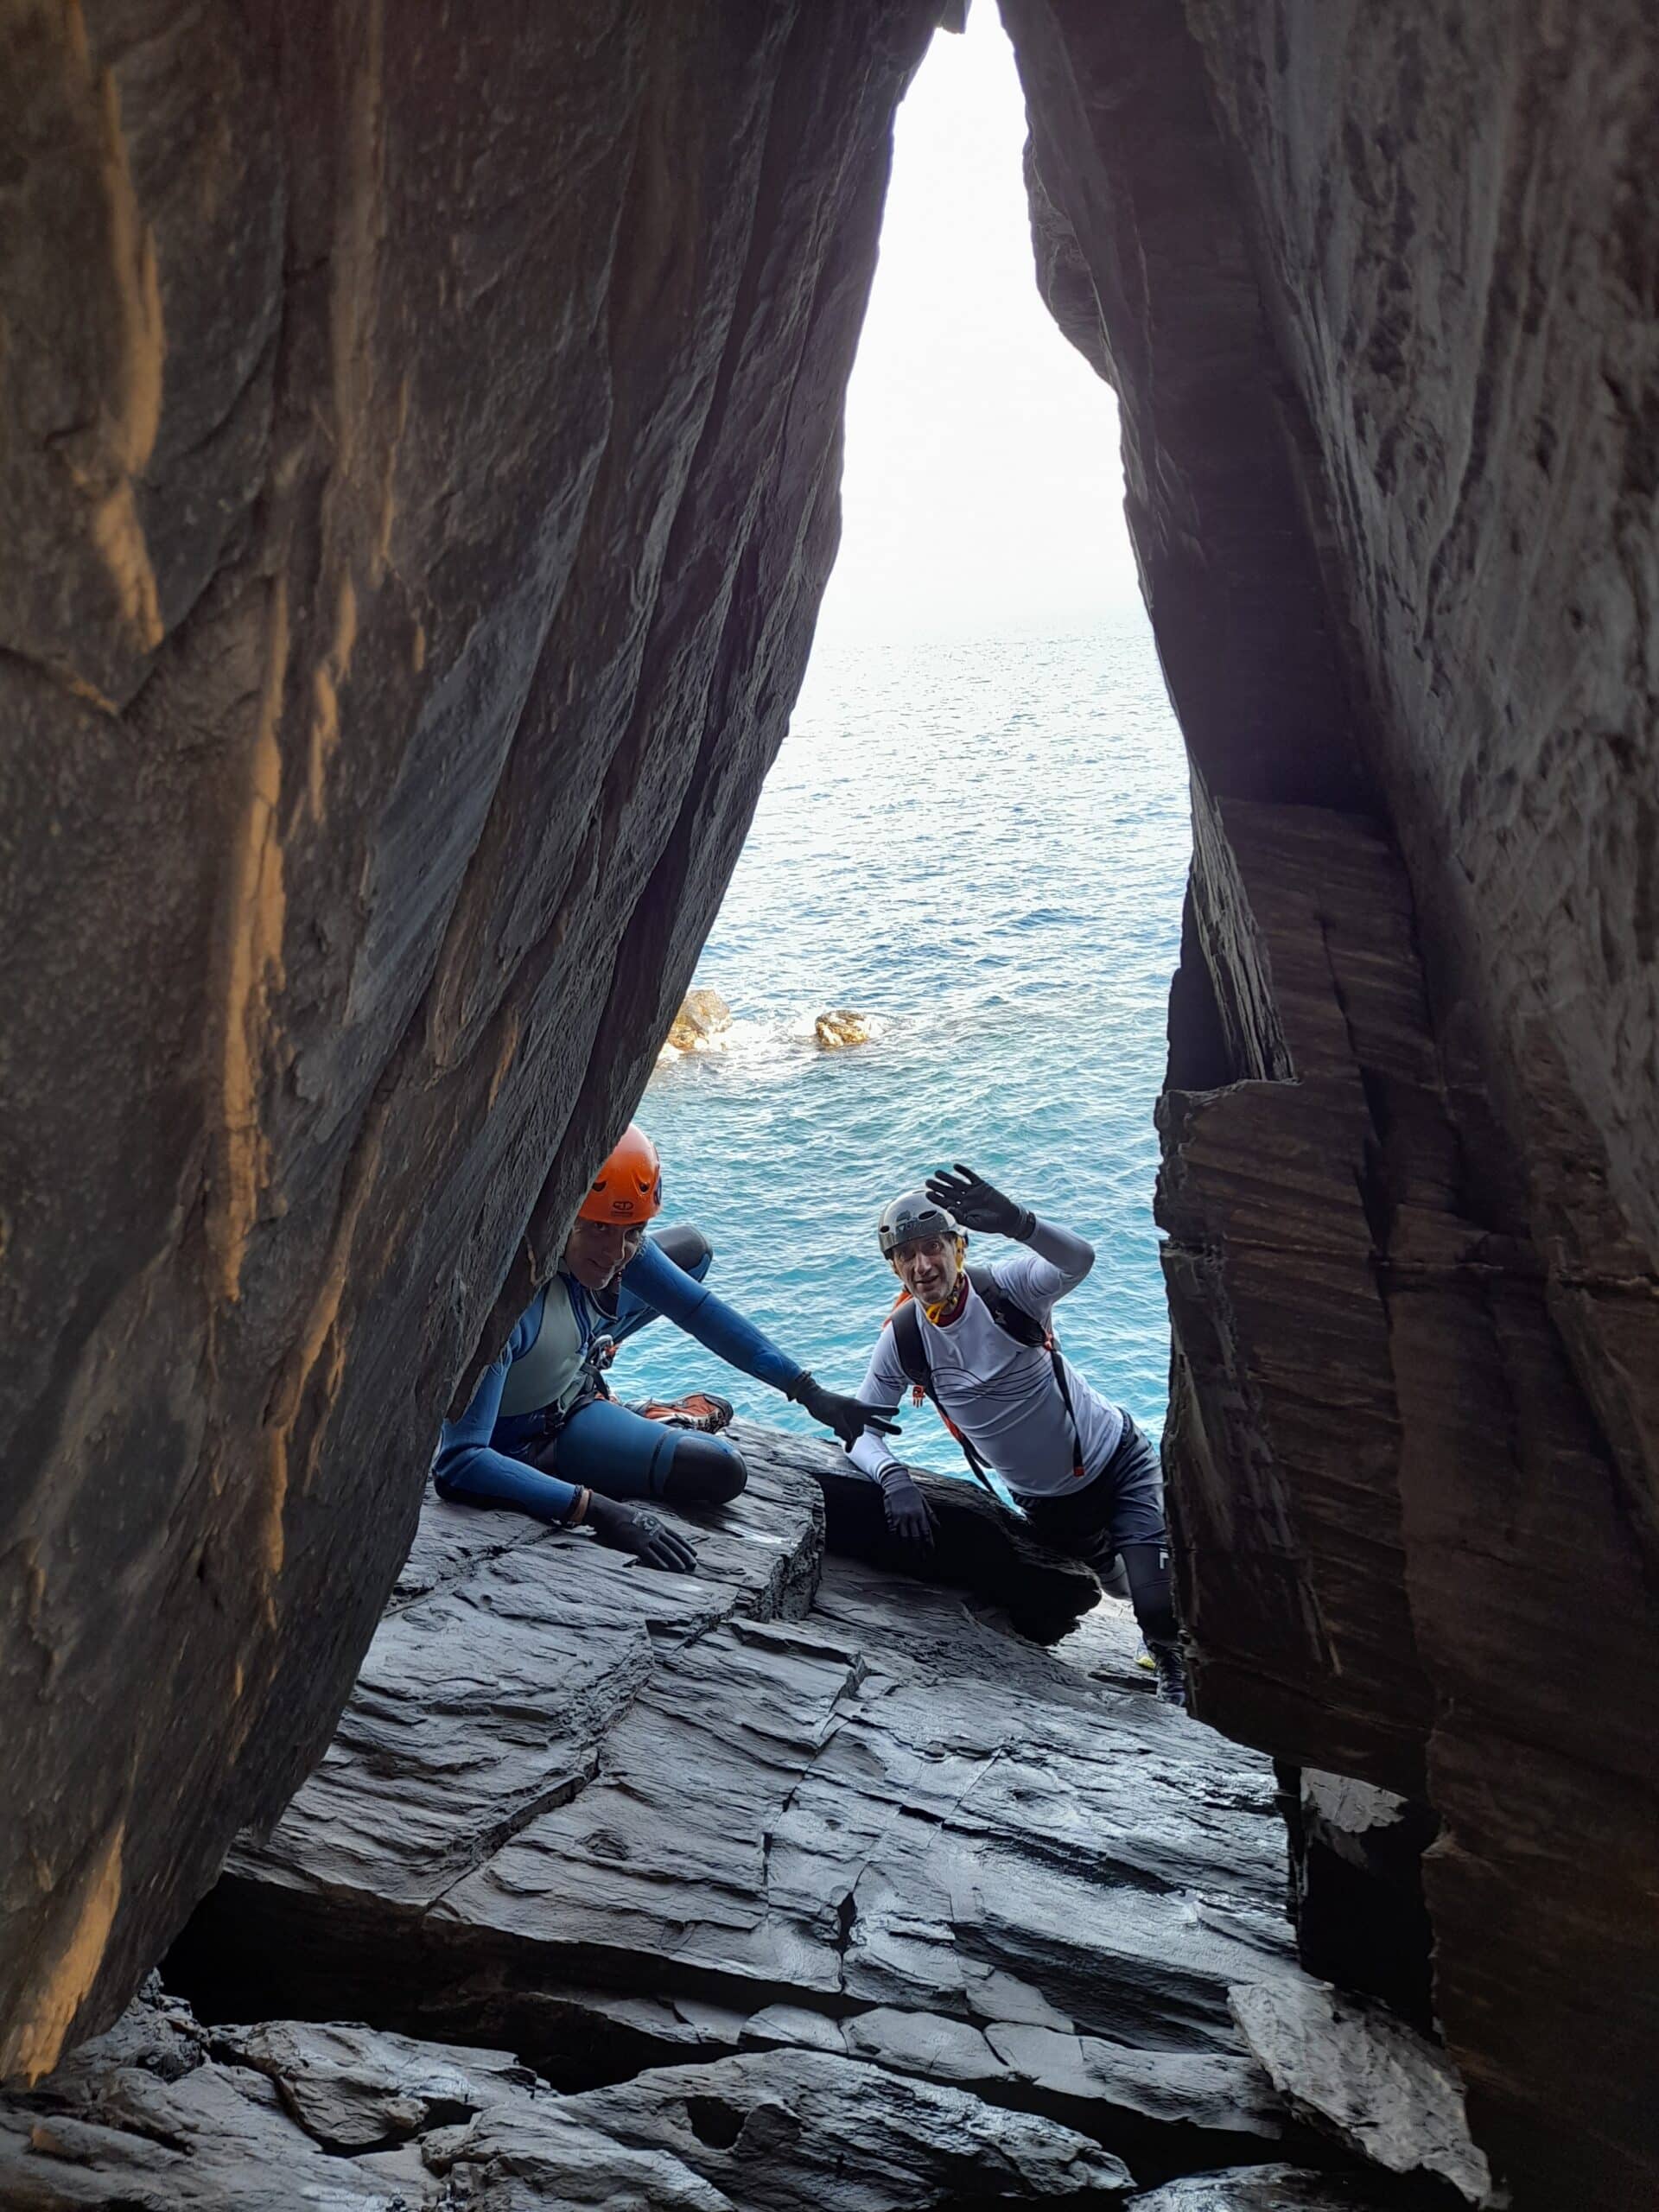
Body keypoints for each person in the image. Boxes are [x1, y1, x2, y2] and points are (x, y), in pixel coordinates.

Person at [434, 1123, 896, 1572]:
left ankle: (605, 1384)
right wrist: (596, 1511)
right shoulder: (504, 1304)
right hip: (527, 1441)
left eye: (632, 1231)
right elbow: (460, 1461)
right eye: (599, 1229)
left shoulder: (618, 1251)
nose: (617, 1252)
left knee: (691, 1256)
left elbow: (699, 1311)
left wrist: (807, 1391)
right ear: (561, 1218)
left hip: (571, 1393)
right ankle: (623, 1412)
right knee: (717, 1470)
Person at [846, 1162, 1186, 1705]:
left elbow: (1079, 1260)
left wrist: (1016, 1222)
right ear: (894, 1269)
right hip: (1049, 1501)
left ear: (959, 1248)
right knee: (1118, 1584)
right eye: (906, 1255)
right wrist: (893, 1478)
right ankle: (1164, 1631)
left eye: (933, 1246)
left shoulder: (1009, 1291)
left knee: (1156, 1602)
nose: (922, 1264)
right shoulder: (905, 1340)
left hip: (1116, 1458)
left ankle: (1175, 1665)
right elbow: (859, 1430)